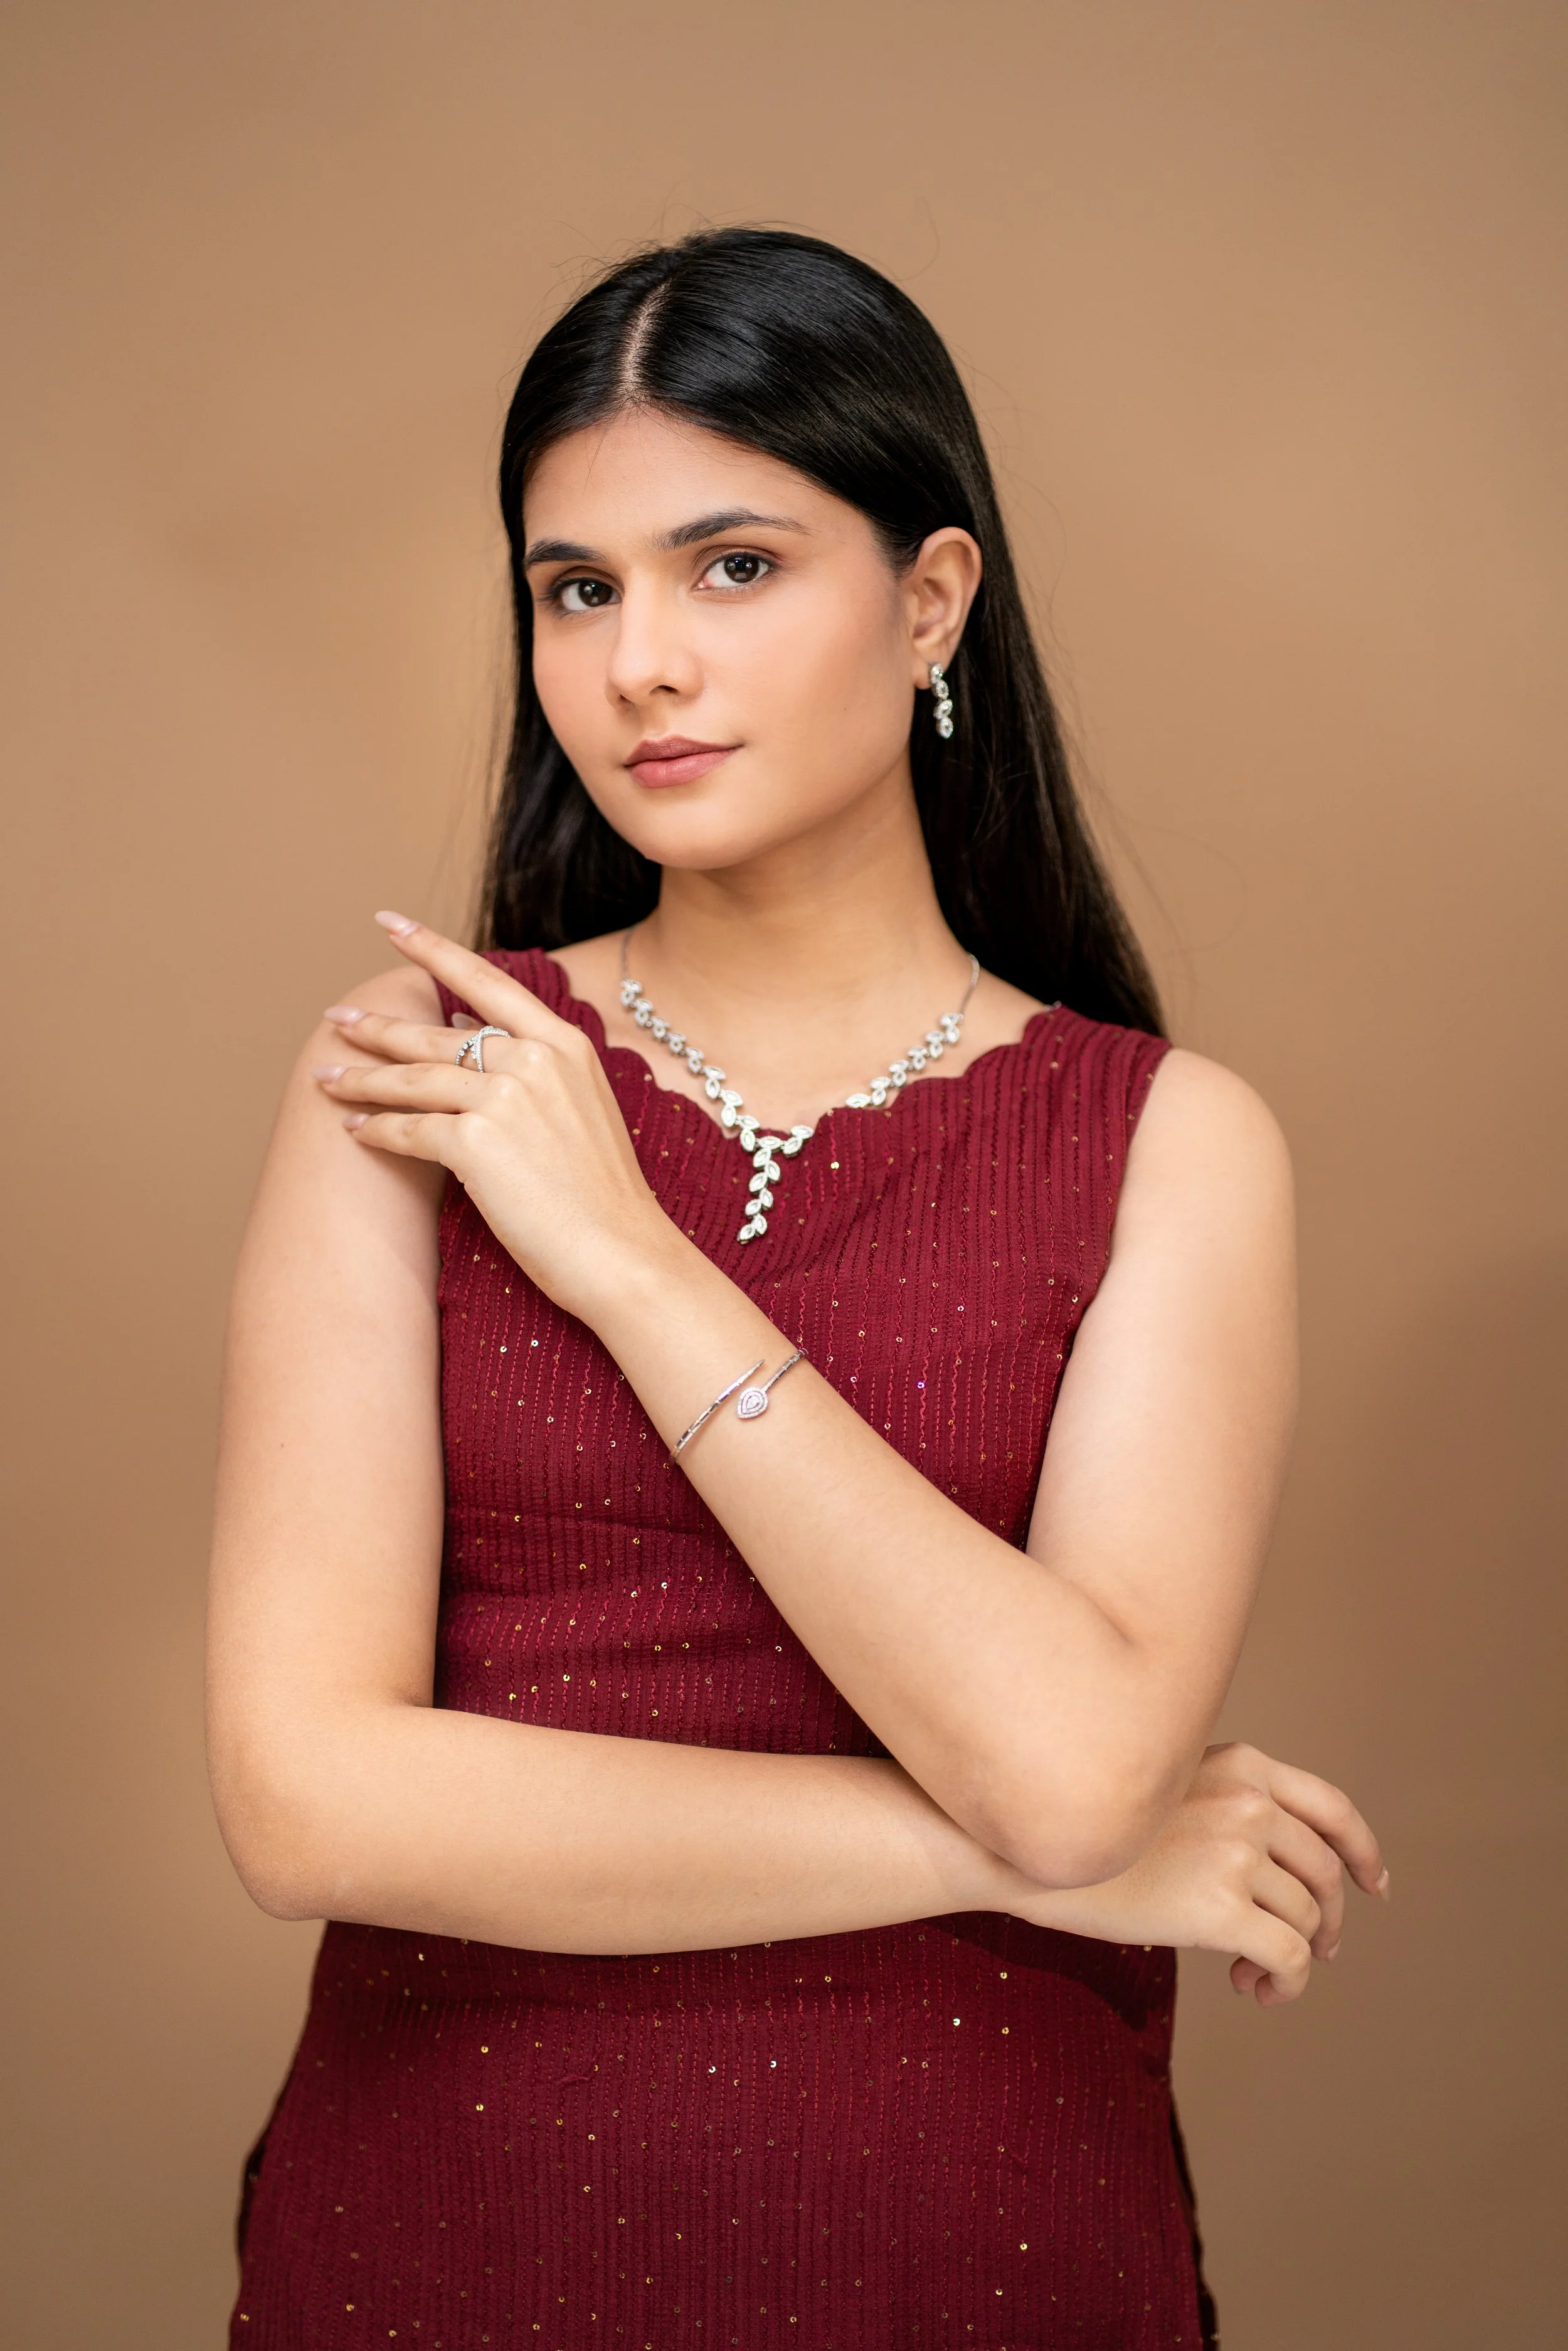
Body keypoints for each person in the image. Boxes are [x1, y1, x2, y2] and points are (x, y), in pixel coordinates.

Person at [207, 227, 1385, 2350]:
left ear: (929, 599)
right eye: (578, 588)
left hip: (988, 2252)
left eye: (732, 565)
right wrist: (1036, 1865)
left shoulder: (1165, 1143)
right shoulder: (410, 1080)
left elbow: (1060, 1755)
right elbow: (312, 1802)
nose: (640, 660)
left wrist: (631, 1263)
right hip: (443, 2249)